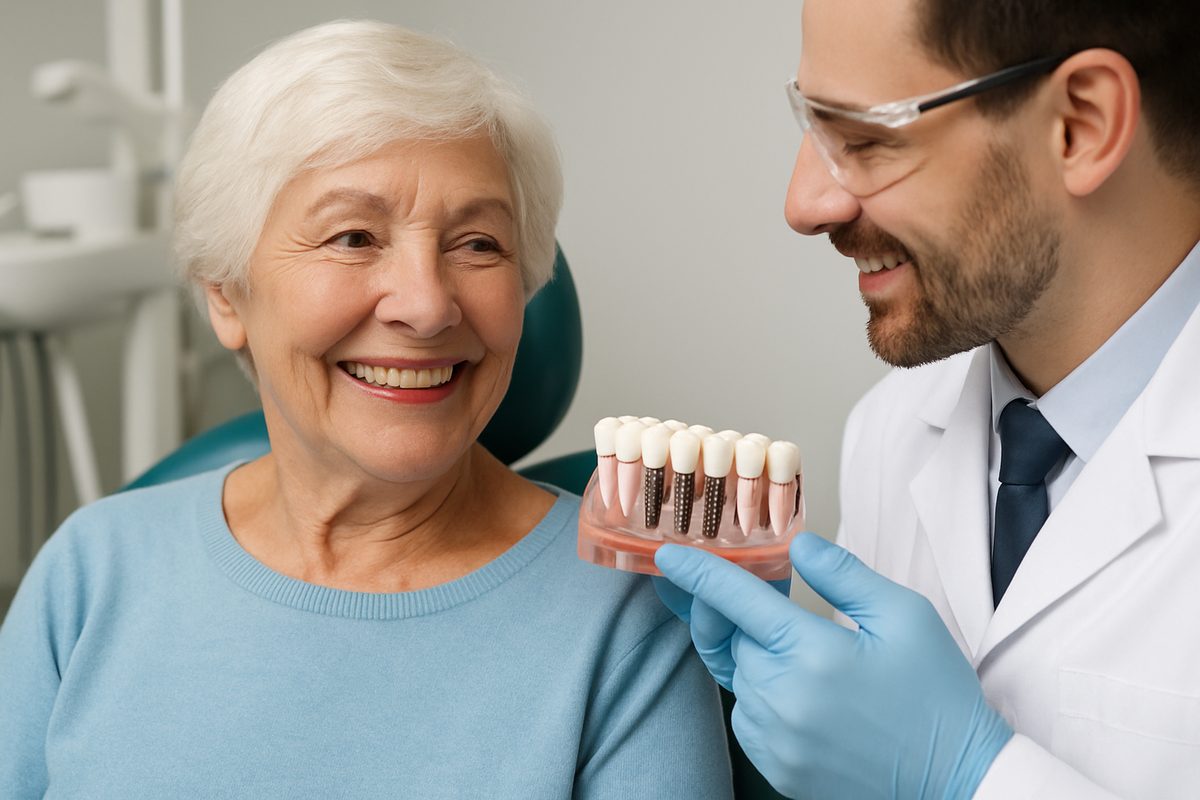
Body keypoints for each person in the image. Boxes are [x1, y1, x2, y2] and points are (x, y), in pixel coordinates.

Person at [0, 20, 734, 799]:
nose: (425, 305)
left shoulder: (632, 612)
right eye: (353, 237)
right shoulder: (91, 572)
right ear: (224, 292)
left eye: (479, 244)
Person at [653, 0, 1200, 797]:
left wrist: (974, 778)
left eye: (866, 139)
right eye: (811, 122)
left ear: (1080, 124)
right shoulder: (891, 427)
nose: (805, 203)